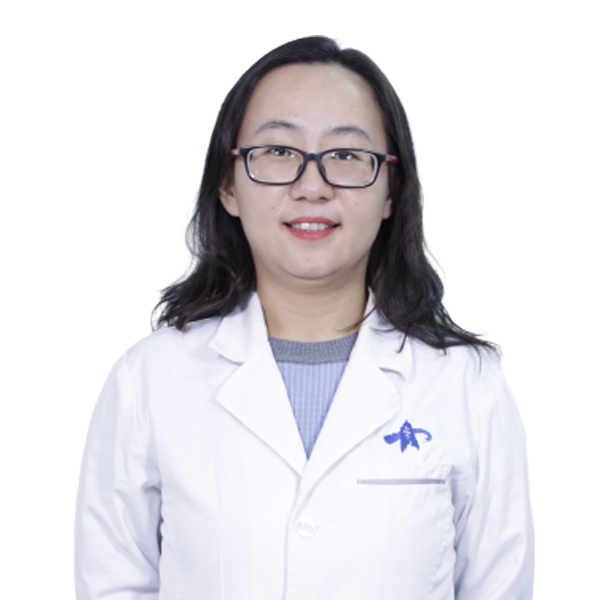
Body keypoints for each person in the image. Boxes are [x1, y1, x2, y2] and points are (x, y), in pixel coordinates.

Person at [75, 36, 534, 599]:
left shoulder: (466, 386)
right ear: (228, 185)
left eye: (346, 155)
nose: (312, 186)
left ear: (391, 190)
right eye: (278, 151)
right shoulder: (149, 381)